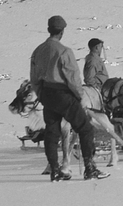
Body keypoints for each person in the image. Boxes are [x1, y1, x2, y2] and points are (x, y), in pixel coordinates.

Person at [30, 15, 109, 181]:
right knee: (85, 128)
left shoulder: (38, 51)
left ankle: (55, 170)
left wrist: (42, 95)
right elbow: (73, 78)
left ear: (49, 30)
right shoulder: (64, 52)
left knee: (52, 133)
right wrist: (80, 97)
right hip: (64, 95)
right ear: (62, 31)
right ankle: (90, 168)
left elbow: (34, 78)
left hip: (47, 95)